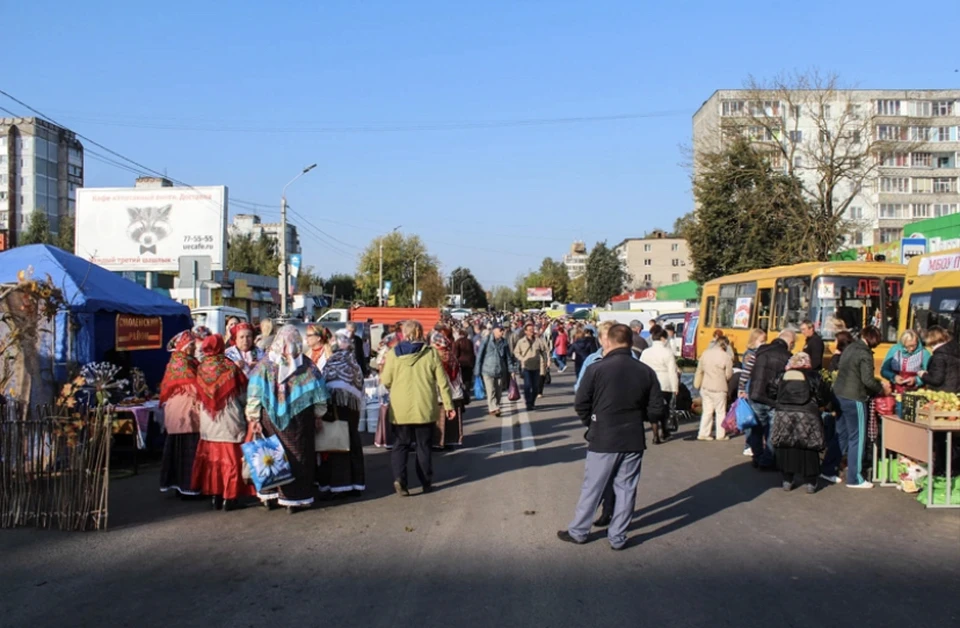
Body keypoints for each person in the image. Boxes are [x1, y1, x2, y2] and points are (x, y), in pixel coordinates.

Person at [558, 324, 665, 551]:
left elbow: (581, 403)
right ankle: (617, 537)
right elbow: (657, 409)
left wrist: (592, 422)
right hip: (633, 437)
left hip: (603, 436)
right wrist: (639, 416)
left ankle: (579, 531)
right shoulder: (645, 371)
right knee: (626, 488)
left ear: (608, 342)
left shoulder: (597, 369)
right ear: (630, 341)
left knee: (593, 486)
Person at [246, 325, 330, 513]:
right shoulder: (307, 366)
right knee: (298, 455)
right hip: (299, 419)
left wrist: (254, 417)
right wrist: (319, 415)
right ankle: (295, 498)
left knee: (271, 453)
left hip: (270, 417)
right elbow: (320, 395)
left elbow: (254, 392)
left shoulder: (264, 365)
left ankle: (271, 494)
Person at [381, 320, 456, 496]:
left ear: (404, 333)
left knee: (401, 445)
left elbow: (385, 381)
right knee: (423, 446)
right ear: (421, 333)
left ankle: (400, 480)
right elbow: (442, 382)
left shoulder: (393, 354)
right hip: (424, 407)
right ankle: (426, 481)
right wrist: (448, 405)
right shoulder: (430, 353)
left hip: (400, 409)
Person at [191, 335, 252, 511]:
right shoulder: (230, 367)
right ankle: (230, 497)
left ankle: (215, 496)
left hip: (209, 422)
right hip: (229, 420)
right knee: (231, 462)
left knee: (213, 462)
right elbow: (243, 394)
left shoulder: (202, 368)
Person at [831, 325, 889, 489]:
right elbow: (868, 380)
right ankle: (855, 478)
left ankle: (828, 468)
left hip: (839, 394)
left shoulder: (850, 348)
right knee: (858, 437)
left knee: (841, 434)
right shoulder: (864, 353)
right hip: (854, 397)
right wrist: (882, 389)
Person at [317, 329, 366, 498]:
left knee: (337, 447)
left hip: (336, 411)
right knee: (353, 443)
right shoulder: (354, 364)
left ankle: (339, 485)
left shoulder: (331, 364)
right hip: (353, 411)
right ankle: (356, 484)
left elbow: (324, 388)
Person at [771, 352, 829, 494]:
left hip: (784, 413)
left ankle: (787, 480)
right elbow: (823, 396)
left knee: (786, 445)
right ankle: (811, 482)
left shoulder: (782, 375)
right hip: (808, 414)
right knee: (809, 446)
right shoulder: (814, 376)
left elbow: (771, 391)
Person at [159, 330, 202, 498]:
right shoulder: (182, 364)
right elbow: (194, 386)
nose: (193, 348)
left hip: (180, 411)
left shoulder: (181, 361)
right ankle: (189, 488)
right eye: (191, 345)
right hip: (185, 412)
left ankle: (179, 486)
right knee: (188, 451)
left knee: (178, 450)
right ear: (184, 346)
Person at [747, 329, 797, 469]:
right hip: (773, 398)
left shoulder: (760, 351)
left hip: (756, 394)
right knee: (773, 430)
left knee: (756, 428)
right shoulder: (788, 356)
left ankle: (757, 457)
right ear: (790, 342)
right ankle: (767, 460)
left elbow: (748, 371)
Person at [640, 326, 679, 444]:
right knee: (665, 408)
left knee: (653, 408)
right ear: (663, 338)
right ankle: (665, 431)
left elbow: (641, 368)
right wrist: (675, 387)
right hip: (665, 382)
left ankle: (655, 434)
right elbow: (672, 371)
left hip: (649, 383)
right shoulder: (667, 352)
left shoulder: (646, 352)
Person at [695, 335, 734, 441]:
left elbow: (700, 369)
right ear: (725, 345)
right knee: (720, 412)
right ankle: (720, 435)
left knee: (707, 411)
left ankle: (703, 433)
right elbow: (728, 374)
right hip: (719, 387)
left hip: (705, 385)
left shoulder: (705, 353)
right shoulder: (726, 356)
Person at [431, 331, 465, 448]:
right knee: (452, 421)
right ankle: (451, 440)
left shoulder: (436, 359)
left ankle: (439, 442)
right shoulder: (452, 357)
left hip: (442, 394)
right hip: (455, 393)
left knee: (440, 420)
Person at [737, 329, 768, 456]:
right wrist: (742, 389)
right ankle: (748, 445)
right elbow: (746, 374)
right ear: (754, 340)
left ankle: (752, 445)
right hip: (750, 388)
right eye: (762, 341)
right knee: (750, 418)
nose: (764, 343)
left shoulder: (757, 353)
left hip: (752, 388)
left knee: (754, 418)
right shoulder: (750, 355)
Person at [476, 325, 518, 417]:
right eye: (500, 330)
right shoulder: (486, 340)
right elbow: (480, 355)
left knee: (499, 392)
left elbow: (508, 358)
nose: (502, 332)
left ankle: (495, 407)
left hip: (499, 370)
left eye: (503, 330)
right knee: (491, 391)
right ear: (494, 331)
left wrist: (512, 370)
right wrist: (477, 371)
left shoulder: (504, 342)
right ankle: (494, 408)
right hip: (487, 370)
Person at [880, 329, 930, 394]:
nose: (911, 349)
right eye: (908, 346)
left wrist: (916, 380)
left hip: (916, 392)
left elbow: (930, 374)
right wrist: (894, 377)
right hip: (895, 391)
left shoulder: (924, 353)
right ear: (903, 343)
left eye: (914, 345)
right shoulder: (894, 350)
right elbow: (884, 370)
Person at [514, 322, 550, 411]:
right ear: (525, 331)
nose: (532, 331)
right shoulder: (521, 341)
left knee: (535, 387)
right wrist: (521, 358)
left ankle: (532, 401)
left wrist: (546, 361)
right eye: (529, 330)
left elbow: (544, 351)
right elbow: (516, 352)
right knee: (527, 385)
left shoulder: (538, 340)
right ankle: (528, 403)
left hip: (536, 367)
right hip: (526, 367)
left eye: (532, 330)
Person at [917, 326, 960, 393]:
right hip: (955, 391)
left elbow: (936, 380)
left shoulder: (939, 356)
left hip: (942, 393)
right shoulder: (954, 350)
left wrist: (923, 375)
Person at [453, 328, 476, 404]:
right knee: (468, 379)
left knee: (461, 379)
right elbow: (473, 352)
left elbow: (456, 354)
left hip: (461, 363)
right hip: (469, 363)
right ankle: (467, 393)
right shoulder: (470, 342)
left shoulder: (457, 342)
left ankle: (463, 394)